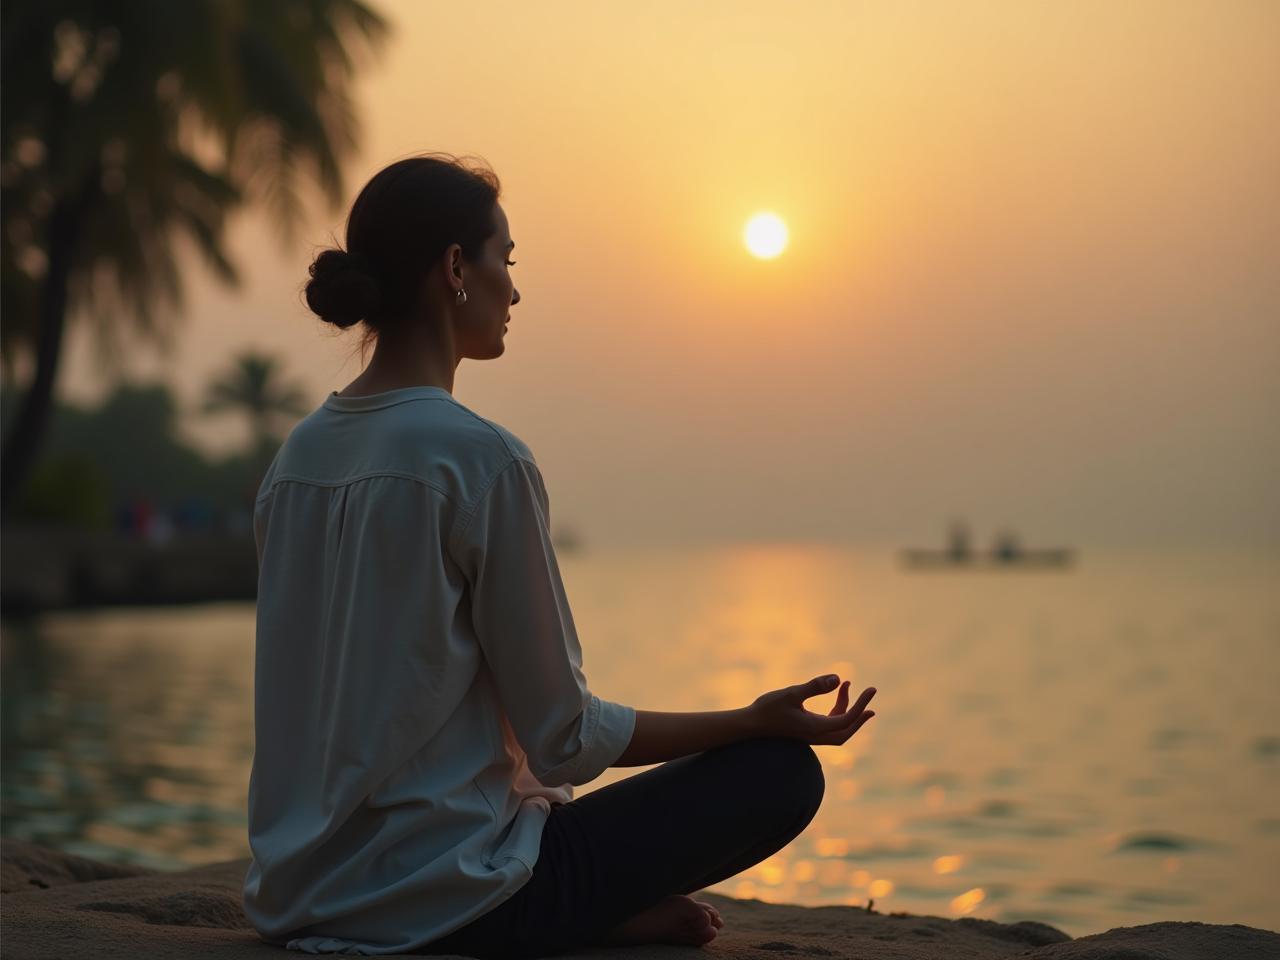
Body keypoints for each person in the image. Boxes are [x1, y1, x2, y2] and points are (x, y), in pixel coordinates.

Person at [241, 153, 878, 959]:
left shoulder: (293, 462)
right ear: (454, 270)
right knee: (779, 776)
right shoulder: (480, 460)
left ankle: (590, 904)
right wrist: (749, 721)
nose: (515, 289)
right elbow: (564, 736)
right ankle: (580, 912)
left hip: (300, 895)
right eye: (506, 260)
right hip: (452, 901)